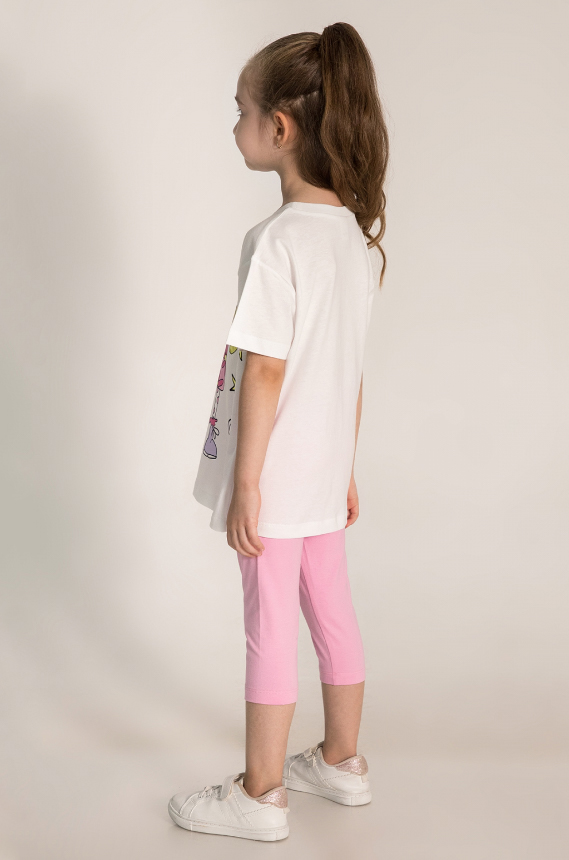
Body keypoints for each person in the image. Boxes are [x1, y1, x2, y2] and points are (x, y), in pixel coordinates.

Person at [168, 21, 389, 842]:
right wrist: (346, 468)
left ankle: (260, 795)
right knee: (332, 607)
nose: (235, 124)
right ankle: (342, 760)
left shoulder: (276, 242)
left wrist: (247, 482)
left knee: (268, 625)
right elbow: (347, 371)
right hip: (324, 470)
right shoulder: (353, 241)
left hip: (278, 475)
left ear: (281, 129)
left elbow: (263, 369)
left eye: (241, 110)